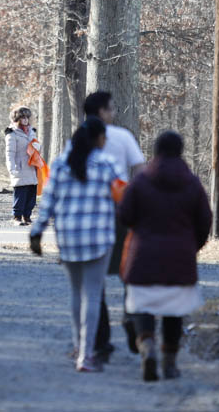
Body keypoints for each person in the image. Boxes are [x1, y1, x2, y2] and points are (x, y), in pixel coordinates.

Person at [118, 130, 212, 382]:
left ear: (156, 151)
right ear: (180, 150)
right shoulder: (192, 183)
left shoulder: (141, 181)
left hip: (143, 256)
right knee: (174, 310)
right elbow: (205, 221)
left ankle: (147, 345)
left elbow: (125, 215)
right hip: (179, 256)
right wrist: (192, 246)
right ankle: (169, 362)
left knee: (143, 305)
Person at [29, 118, 117, 373]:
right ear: (98, 139)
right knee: (92, 294)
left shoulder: (59, 166)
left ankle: (79, 347)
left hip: (68, 238)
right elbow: (123, 199)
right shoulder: (107, 165)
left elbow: (48, 203)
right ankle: (87, 356)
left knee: (76, 294)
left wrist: (36, 233)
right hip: (99, 239)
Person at [82, 91, 145, 361]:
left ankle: (101, 340)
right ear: (102, 111)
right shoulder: (122, 136)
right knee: (129, 268)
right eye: (111, 108)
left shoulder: (77, 139)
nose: (114, 113)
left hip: (90, 212)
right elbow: (140, 170)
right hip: (120, 209)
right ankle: (133, 320)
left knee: (95, 279)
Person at [4, 106, 41, 226]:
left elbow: (35, 146)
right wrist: (11, 168)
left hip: (32, 167)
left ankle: (27, 216)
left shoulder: (32, 131)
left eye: (26, 117)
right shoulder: (12, 134)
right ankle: (17, 217)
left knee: (31, 195)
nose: (25, 120)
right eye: (22, 117)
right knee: (20, 194)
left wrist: (37, 147)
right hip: (19, 168)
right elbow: (10, 153)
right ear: (17, 119)